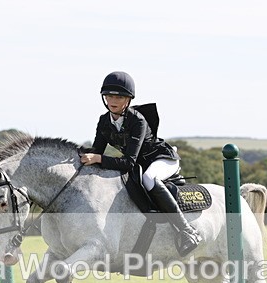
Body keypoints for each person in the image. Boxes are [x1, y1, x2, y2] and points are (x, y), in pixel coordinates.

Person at [80, 71, 202, 256]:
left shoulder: (137, 120)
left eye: (119, 96)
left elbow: (128, 162)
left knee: (148, 178)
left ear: (128, 99)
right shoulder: (104, 121)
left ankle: (187, 231)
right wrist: (81, 154)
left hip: (162, 159)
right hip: (139, 164)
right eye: (109, 95)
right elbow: (97, 150)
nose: (113, 100)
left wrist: (98, 159)